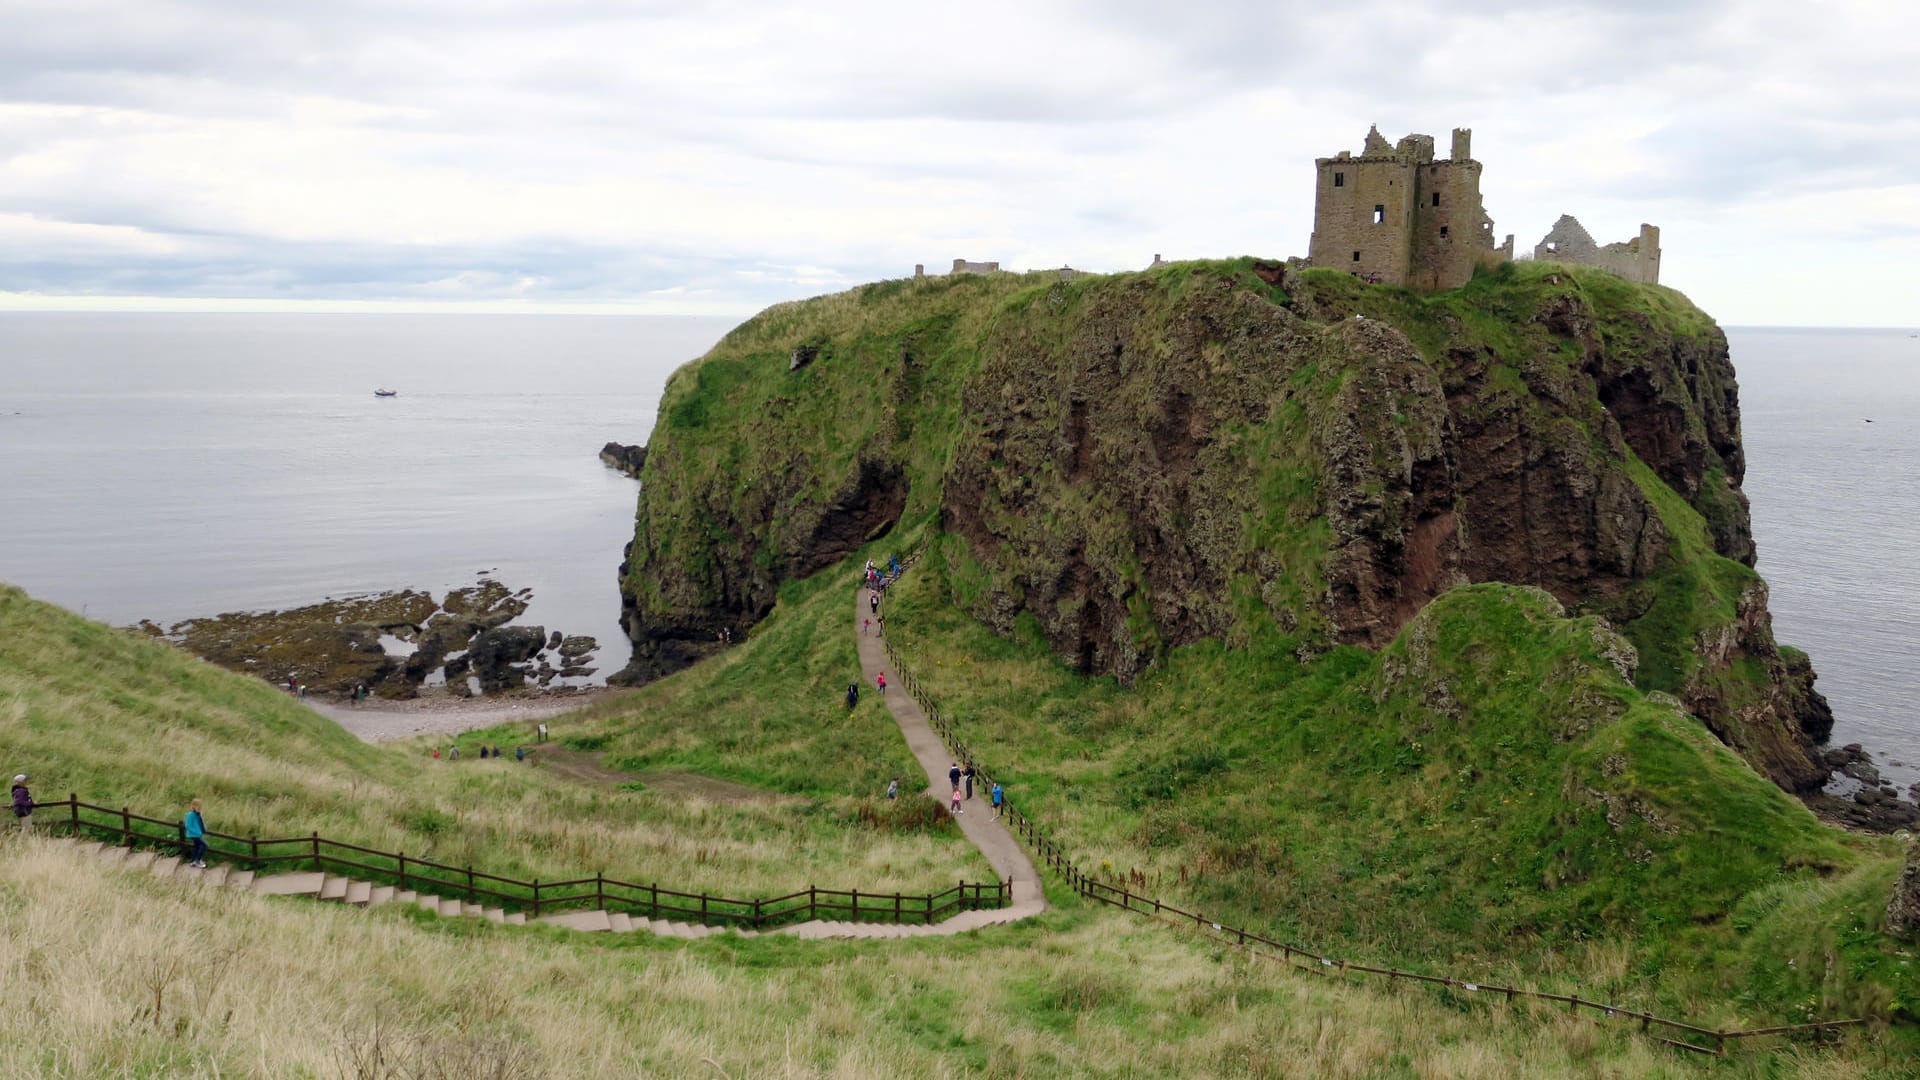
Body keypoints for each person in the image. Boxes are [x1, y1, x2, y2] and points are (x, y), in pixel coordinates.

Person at [183, 799, 207, 868]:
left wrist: (203, 830)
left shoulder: (197, 815)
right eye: (198, 807)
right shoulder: (191, 814)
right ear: (194, 806)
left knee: (196, 847)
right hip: (194, 835)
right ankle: (197, 860)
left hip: (197, 834)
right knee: (204, 845)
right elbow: (187, 825)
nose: (200, 808)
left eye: (200, 807)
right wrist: (196, 832)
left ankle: (193, 861)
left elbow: (199, 823)